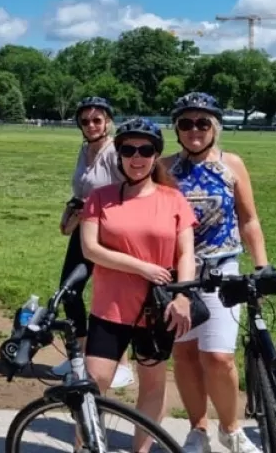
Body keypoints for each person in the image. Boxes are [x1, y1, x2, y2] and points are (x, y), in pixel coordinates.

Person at [78, 117, 197, 452]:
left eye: (145, 150)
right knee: (93, 384)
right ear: (119, 154)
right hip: (110, 307)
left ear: (156, 155)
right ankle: (84, 446)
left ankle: (140, 450)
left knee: (152, 384)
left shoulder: (173, 199)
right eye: (128, 149)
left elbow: (186, 251)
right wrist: (142, 267)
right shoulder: (100, 198)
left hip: (156, 309)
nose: (136, 157)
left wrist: (183, 294)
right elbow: (91, 249)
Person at [162, 92, 266, 453]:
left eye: (202, 123)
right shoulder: (164, 168)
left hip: (222, 271)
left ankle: (231, 428)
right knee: (186, 355)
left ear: (215, 128)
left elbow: (249, 218)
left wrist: (262, 266)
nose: (194, 130)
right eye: (186, 123)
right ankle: (197, 429)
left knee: (218, 358)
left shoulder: (230, 164)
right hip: (179, 275)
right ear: (176, 129)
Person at [50, 97, 133, 389]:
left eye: (97, 120)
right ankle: (81, 354)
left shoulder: (115, 152)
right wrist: (72, 210)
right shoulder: (84, 150)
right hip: (84, 229)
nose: (91, 125)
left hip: (111, 233)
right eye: (85, 121)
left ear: (108, 121)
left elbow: (128, 191)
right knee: (69, 291)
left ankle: (121, 363)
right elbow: (82, 188)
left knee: (112, 296)